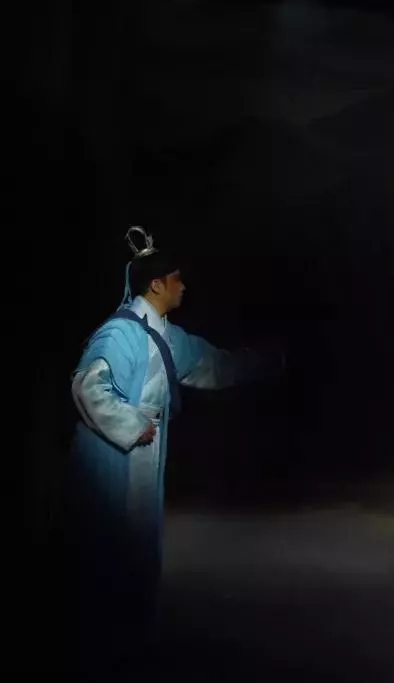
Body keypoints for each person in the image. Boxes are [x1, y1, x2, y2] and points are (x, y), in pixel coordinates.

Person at [66, 227, 281, 674]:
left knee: (140, 544)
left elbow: (213, 366)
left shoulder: (170, 336)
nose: (183, 286)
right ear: (156, 284)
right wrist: (132, 425)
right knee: (108, 545)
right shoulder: (119, 333)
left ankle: (133, 643)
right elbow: (88, 386)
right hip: (114, 450)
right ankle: (99, 649)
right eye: (177, 278)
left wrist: (267, 362)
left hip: (146, 450)